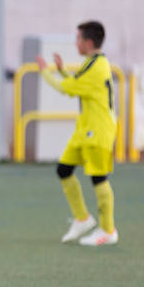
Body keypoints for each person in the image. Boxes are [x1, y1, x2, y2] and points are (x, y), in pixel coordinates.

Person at [36, 21, 118, 246]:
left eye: (78, 39)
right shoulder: (93, 62)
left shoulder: (97, 66)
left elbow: (67, 89)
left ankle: (108, 230)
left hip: (98, 130)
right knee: (64, 169)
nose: (76, 43)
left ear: (88, 42)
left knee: (99, 178)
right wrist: (62, 70)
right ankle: (83, 218)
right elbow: (76, 82)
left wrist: (45, 72)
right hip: (85, 129)